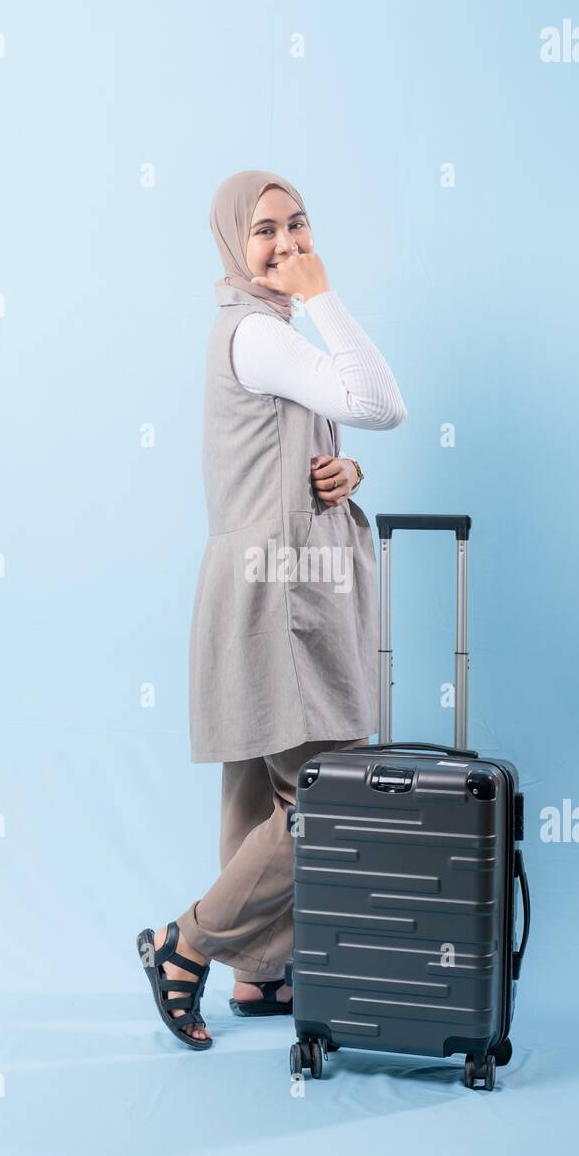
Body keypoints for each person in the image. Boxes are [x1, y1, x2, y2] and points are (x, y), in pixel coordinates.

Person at [137, 169, 407, 1048]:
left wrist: (349, 470)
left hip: (261, 579)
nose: (287, 245)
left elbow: (314, 442)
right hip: (283, 593)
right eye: (265, 231)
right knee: (324, 796)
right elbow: (378, 402)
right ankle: (186, 945)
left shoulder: (259, 334)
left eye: (299, 226)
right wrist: (325, 293)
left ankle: (258, 978)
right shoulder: (260, 333)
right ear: (231, 244)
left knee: (258, 794)